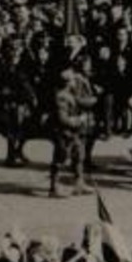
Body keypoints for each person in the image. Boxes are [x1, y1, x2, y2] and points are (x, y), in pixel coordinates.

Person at [49, 66, 92, 198]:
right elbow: (63, 119)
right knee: (60, 159)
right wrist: (79, 120)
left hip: (73, 133)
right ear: (67, 82)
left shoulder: (70, 94)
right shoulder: (61, 97)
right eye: (73, 80)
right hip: (64, 133)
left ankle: (79, 183)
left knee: (79, 156)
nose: (75, 82)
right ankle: (54, 188)